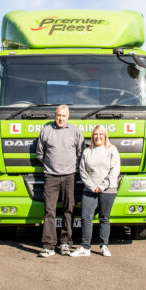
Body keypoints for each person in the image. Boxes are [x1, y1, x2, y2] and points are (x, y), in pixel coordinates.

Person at [36, 104, 84, 258]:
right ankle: (49, 246)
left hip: (70, 176)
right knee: (49, 210)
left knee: (68, 210)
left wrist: (72, 167)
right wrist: (50, 166)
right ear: (55, 116)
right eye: (58, 115)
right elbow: (40, 153)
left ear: (67, 116)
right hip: (51, 177)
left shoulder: (75, 131)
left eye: (63, 116)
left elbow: (80, 153)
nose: (60, 118)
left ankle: (65, 242)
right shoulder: (46, 131)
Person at [70, 125, 120, 258]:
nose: (98, 137)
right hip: (90, 189)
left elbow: (114, 170)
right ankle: (85, 247)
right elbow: (82, 171)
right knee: (86, 217)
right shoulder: (88, 151)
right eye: (95, 134)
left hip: (108, 189)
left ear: (105, 136)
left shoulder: (112, 150)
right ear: (92, 137)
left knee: (104, 218)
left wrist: (102, 186)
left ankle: (104, 246)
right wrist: (92, 186)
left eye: (101, 135)